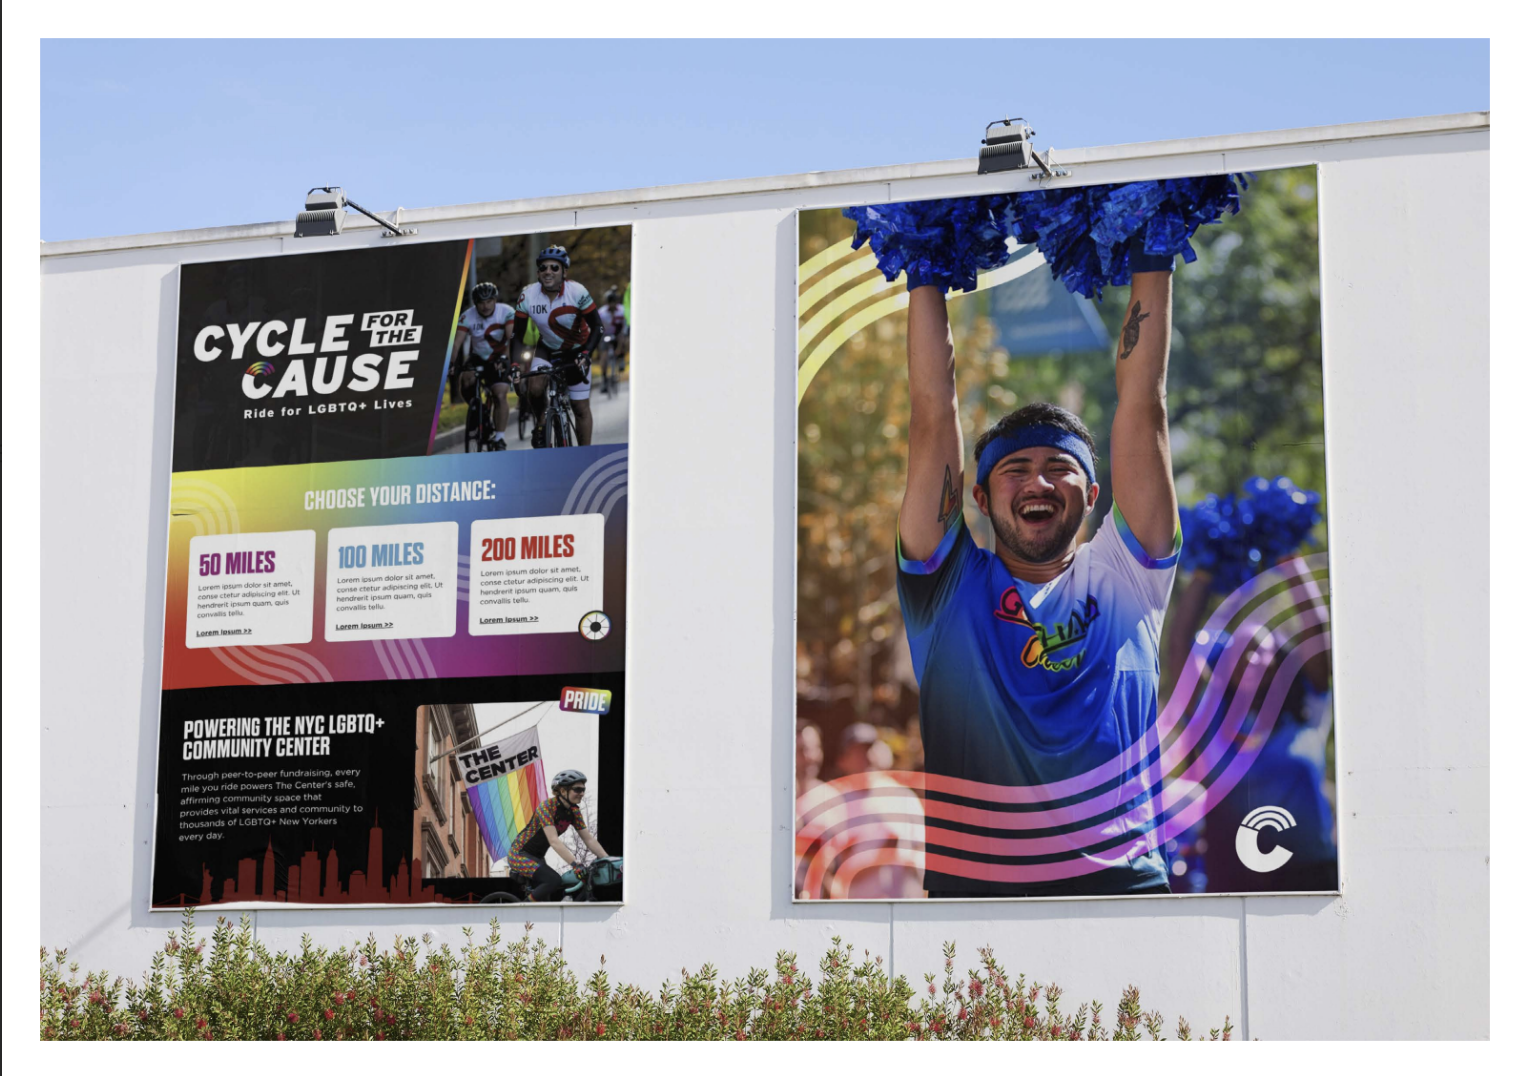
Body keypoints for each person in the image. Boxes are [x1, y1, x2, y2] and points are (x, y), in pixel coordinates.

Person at [896, 246, 1180, 898]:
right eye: (1016, 470)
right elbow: (930, 415)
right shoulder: (945, 590)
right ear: (980, 496)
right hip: (976, 904)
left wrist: (1154, 245)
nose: (1039, 480)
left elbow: (1145, 403)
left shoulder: (1129, 574)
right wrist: (927, 260)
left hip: (1125, 891)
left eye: (1059, 466)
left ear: (1095, 493)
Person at [511, 246, 605, 447]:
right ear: (538, 273)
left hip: (577, 350)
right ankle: (541, 423)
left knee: (579, 407)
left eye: (555, 267)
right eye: (543, 268)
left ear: (564, 272)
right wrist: (514, 365)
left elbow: (597, 326)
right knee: (535, 387)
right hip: (547, 349)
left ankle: (584, 454)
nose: (548, 271)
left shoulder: (577, 291)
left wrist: (587, 353)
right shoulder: (527, 295)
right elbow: (517, 335)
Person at [507, 769, 610, 902]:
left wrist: (607, 859)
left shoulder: (574, 812)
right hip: (519, 854)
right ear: (562, 791)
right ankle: (523, 910)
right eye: (577, 789)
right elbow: (553, 841)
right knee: (553, 880)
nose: (582, 793)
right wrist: (575, 864)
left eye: (583, 789)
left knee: (551, 895)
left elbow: (588, 839)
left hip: (537, 857)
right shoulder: (546, 807)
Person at [452, 281, 515, 446]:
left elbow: (510, 338)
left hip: (501, 355)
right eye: (481, 302)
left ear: (495, 300)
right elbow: (457, 343)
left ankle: (499, 437)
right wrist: (451, 363)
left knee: (499, 394)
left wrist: (504, 359)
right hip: (478, 356)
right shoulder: (468, 316)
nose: (485, 306)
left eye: (489, 301)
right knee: (465, 380)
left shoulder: (507, 312)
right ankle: (479, 411)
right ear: (475, 303)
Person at [597, 286, 628, 382]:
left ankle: (621, 357)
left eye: (614, 302)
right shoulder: (602, 313)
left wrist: (624, 333)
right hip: (605, 335)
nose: (612, 305)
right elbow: (597, 326)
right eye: (610, 302)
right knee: (604, 355)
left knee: (624, 339)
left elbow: (625, 324)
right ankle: (604, 378)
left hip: (619, 334)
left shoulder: (622, 311)